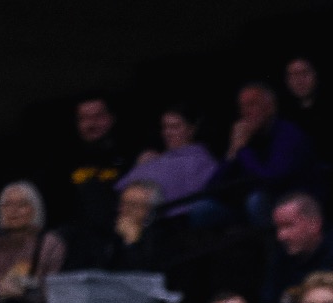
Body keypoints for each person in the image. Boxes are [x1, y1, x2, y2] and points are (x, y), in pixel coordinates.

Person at [213, 82, 318, 224]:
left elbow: (270, 181)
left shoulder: (288, 135)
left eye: (252, 104)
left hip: (295, 201)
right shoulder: (248, 137)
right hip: (250, 202)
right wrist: (232, 152)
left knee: (256, 201)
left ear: (270, 107)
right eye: (242, 107)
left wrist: (243, 150)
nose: (245, 112)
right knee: (204, 208)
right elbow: (213, 188)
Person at [0, 180, 67, 303]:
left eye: (21, 205)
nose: (13, 211)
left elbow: (57, 292)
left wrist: (22, 293)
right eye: (7, 205)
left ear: (36, 209)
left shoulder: (50, 243)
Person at [118, 104, 217, 207]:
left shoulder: (200, 161)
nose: (167, 133)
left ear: (191, 129)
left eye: (174, 127)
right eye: (164, 127)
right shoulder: (153, 158)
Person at [63, 178, 166, 272]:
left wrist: (131, 244)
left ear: (151, 211)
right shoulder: (107, 234)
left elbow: (145, 275)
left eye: (134, 205)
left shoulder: (161, 240)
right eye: (123, 203)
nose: (125, 210)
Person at [61, 95, 124, 235]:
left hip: (123, 233)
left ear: (111, 118)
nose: (91, 124)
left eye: (98, 116)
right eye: (84, 118)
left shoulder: (129, 154)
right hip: (79, 237)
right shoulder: (64, 160)